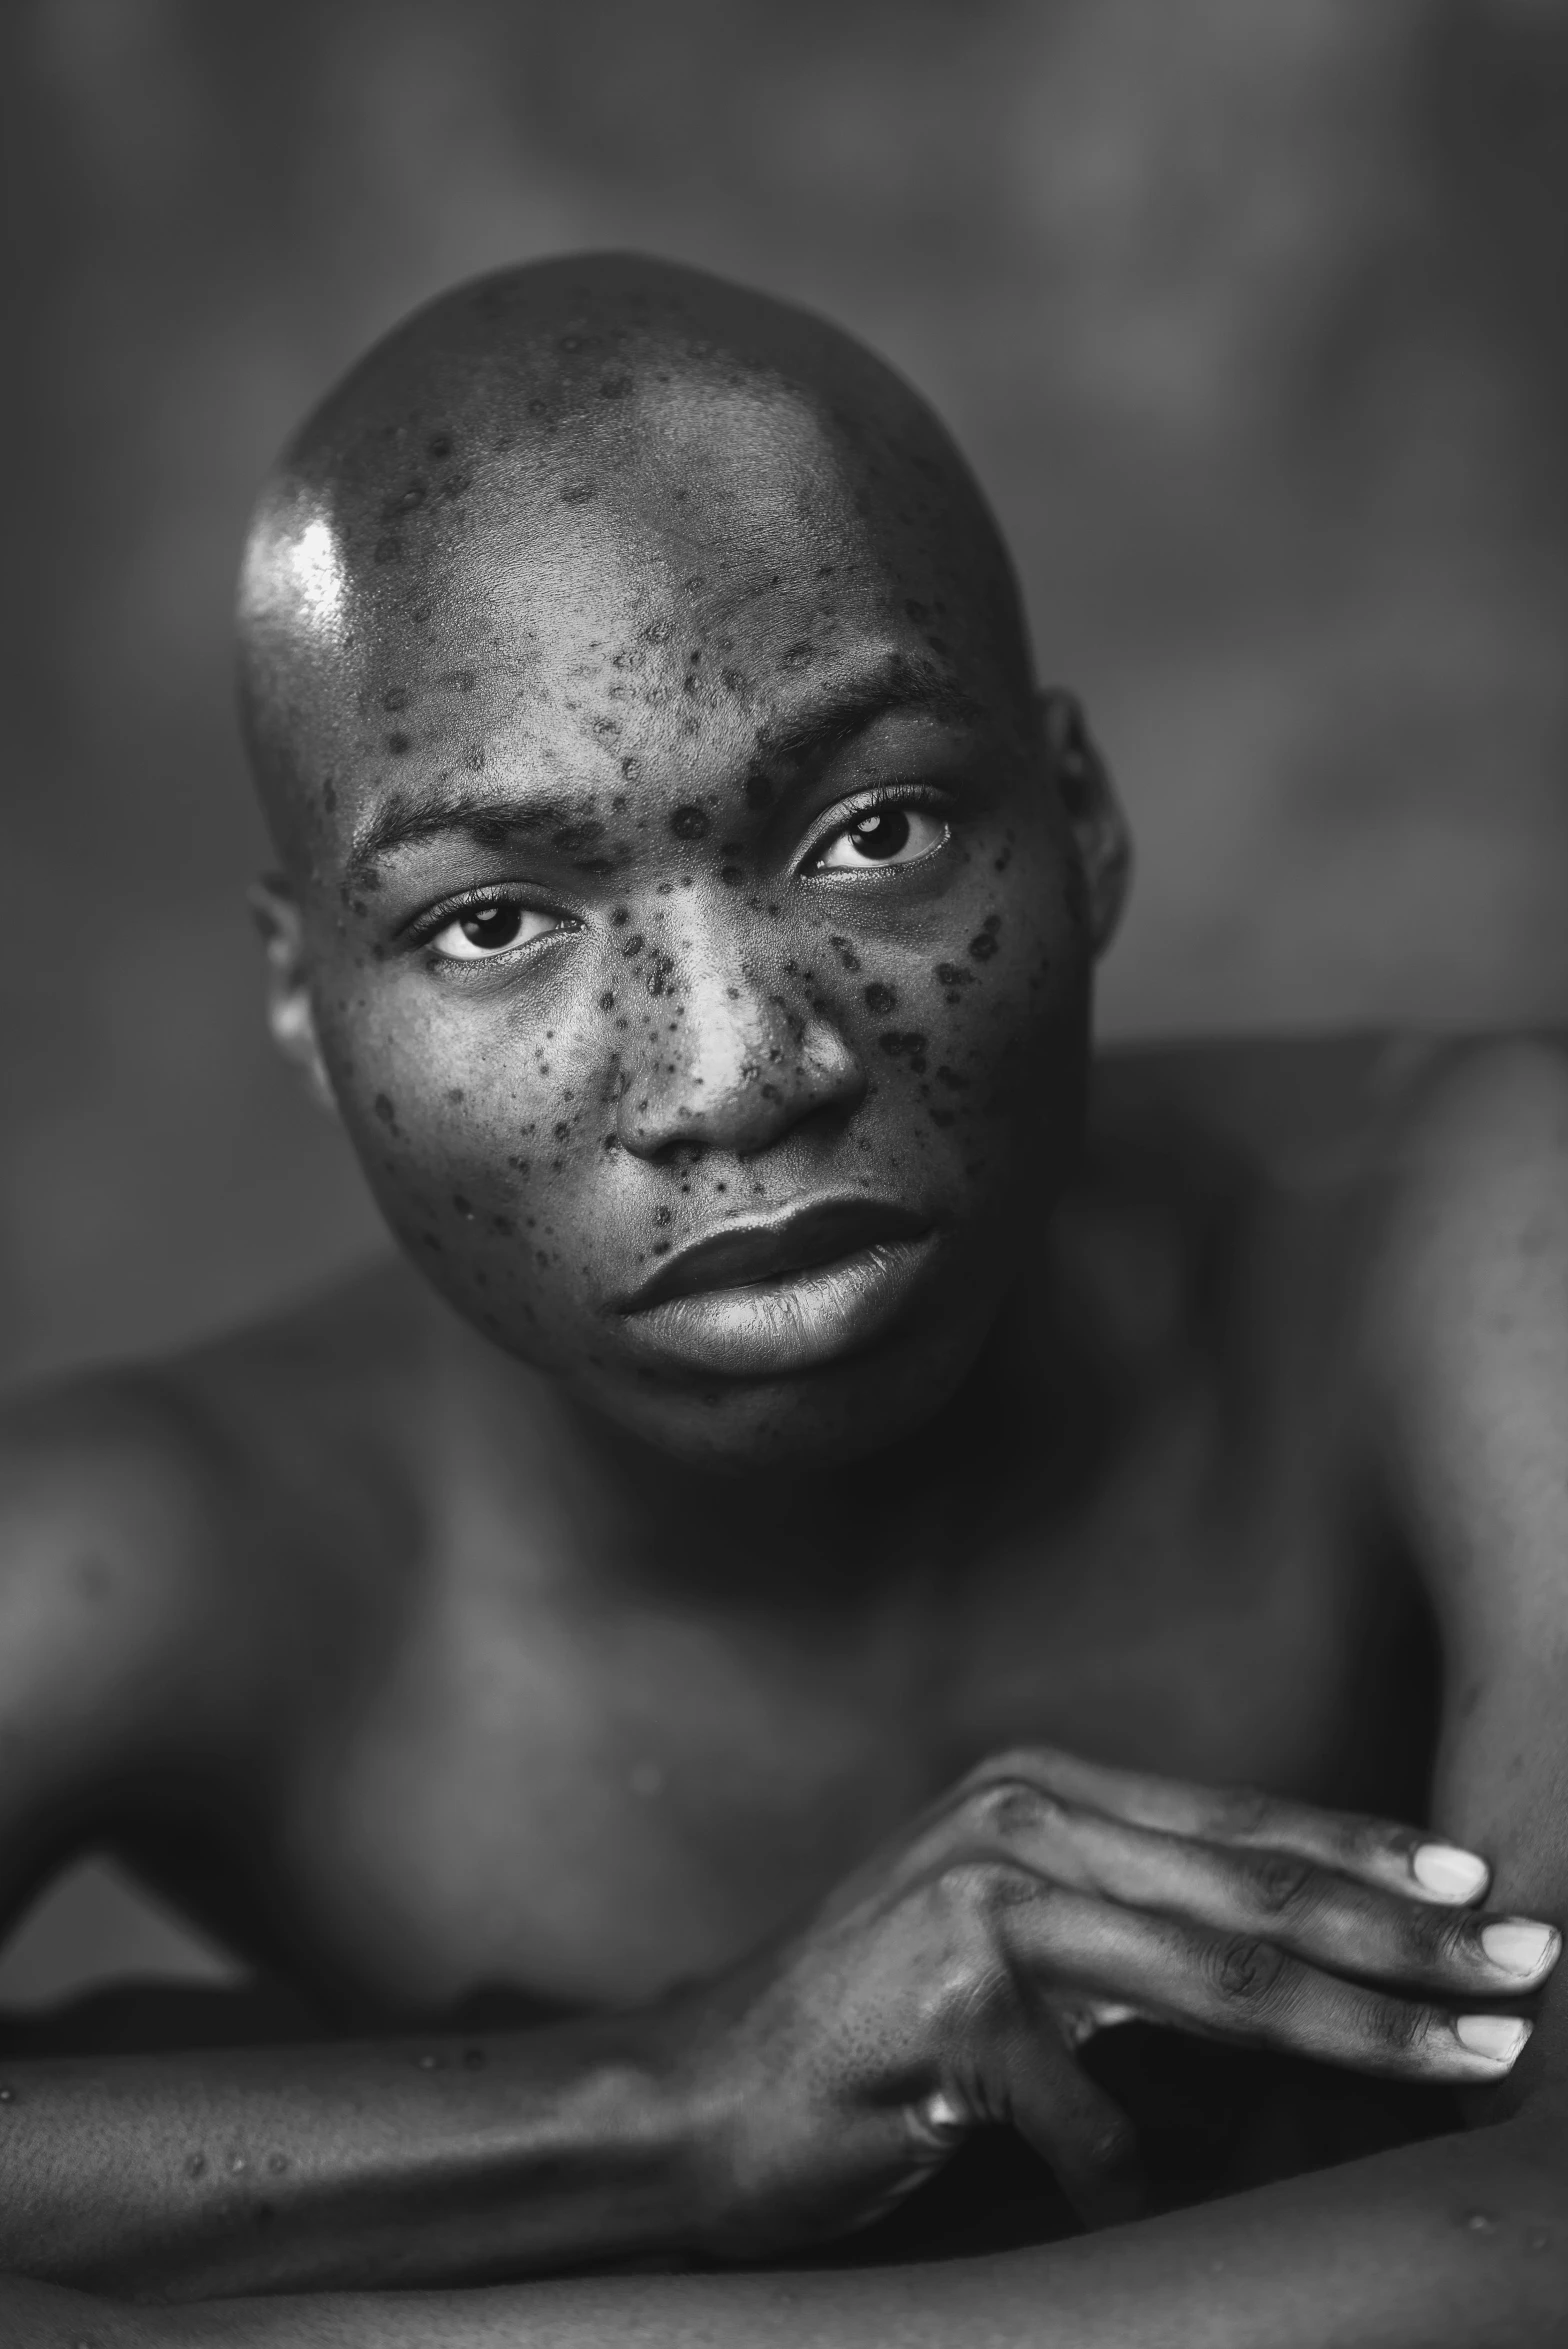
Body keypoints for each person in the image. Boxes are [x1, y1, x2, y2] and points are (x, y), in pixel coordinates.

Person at [2, 253, 1565, 2348]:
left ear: (1077, 822)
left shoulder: (1463, 1229)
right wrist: (666, 2102)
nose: (736, 1065)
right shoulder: (159, 1550)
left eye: (874, 828)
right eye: (490, 922)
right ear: (311, 998)